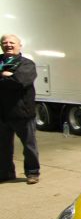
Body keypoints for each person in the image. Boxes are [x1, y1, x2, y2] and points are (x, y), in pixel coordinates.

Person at [0, 34, 40, 185]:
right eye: (5, 42)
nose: (8, 45)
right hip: (2, 114)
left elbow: (19, 82)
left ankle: (32, 172)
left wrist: (7, 78)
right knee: (3, 148)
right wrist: (6, 75)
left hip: (23, 113)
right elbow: (11, 81)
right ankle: (6, 173)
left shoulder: (27, 64)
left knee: (29, 146)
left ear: (19, 45)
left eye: (12, 42)